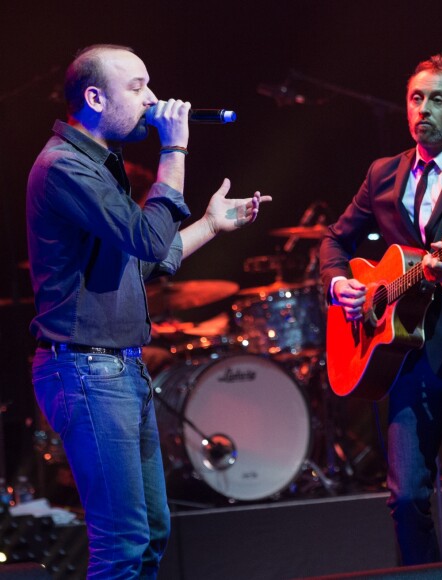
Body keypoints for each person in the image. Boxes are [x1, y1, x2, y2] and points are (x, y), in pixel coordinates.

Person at [26, 44, 271, 578]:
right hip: (86, 371)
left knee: (151, 534)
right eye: (136, 87)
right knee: (122, 544)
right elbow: (145, 236)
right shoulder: (65, 167)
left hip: (119, 370)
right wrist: (175, 149)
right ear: (94, 97)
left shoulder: (99, 165)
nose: (153, 98)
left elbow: (141, 261)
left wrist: (209, 225)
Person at [319, 54, 442, 579]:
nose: (423, 109)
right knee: (406, 496)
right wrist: (340, 282)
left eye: (438, 100)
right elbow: (336, 239)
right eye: (416, 97)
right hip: (406, 357)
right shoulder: (382, 174)